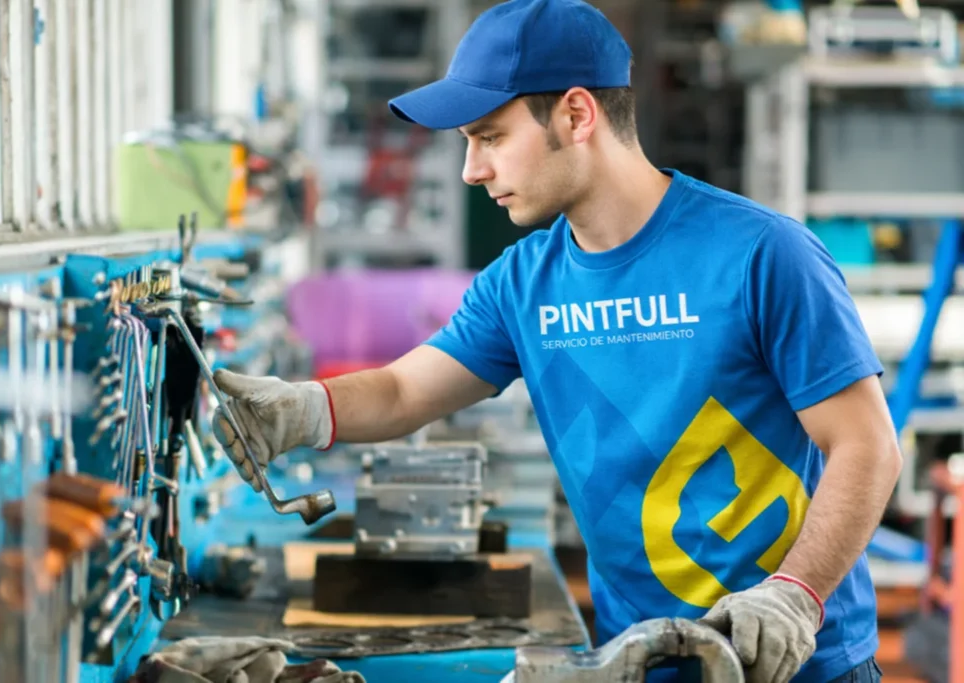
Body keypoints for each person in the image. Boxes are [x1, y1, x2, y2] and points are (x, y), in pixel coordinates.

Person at [210, 1, 902, 681]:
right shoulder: (522, 283)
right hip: (641, 660)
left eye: (489, 136)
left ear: (576, 115)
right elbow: (403, 389)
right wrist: (301, 409)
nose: (471, 170)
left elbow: (866, 445)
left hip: (792, 661)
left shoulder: (762, 255)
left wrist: (796, 594)